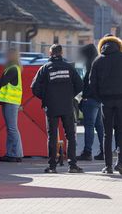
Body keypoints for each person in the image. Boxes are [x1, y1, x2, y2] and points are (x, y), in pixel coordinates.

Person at [31, 44, 83, 173]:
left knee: (52, 136)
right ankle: (72, 165)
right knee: (70, 135)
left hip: (51, 107)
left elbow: (34, 87)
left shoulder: (45, 68)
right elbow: (80, 85)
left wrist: (46, 97)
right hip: (67, 106)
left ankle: (52, 166)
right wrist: (69, 96)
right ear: (61, 53)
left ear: (50, 53)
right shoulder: (69, 67)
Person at [89, 34, 122, 174]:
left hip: (106, 102)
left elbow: (92, 84)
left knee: (107, 134)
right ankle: (120, 163)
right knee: (121, 132)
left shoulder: (97, 61)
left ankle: (108, 166)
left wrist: (100, 98)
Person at [76, 44, 104, 161]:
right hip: (98, 100)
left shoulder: (91, 66)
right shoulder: (99, 63)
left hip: (90, 100)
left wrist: (85, 97)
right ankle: (103, 151)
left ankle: (87, 152)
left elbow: (88, 84)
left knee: (89, 126)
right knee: (99, 126)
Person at [0, 48, 23, 162]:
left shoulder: (12, 69)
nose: (6, 57)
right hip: (9, 102)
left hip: (11, 102)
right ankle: (10, 153)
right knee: (10, 129)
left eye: (8, 55)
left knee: (12, 129)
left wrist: (1, 78)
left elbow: (1, 82)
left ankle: (16, 154)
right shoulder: (12, 68)